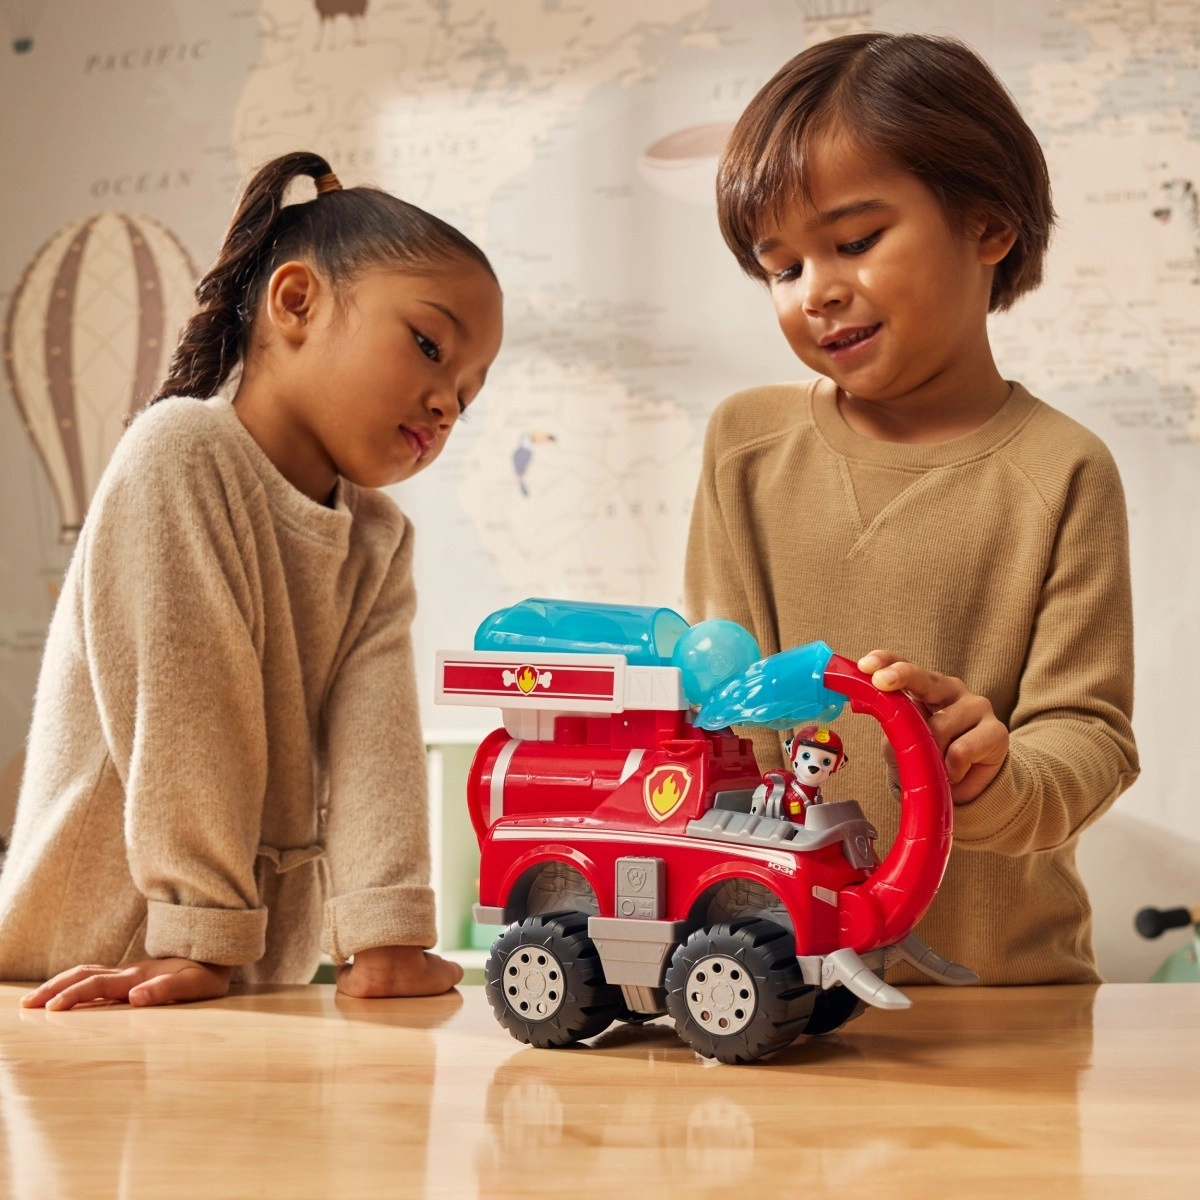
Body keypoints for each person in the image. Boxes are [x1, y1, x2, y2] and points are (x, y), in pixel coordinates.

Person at [685, 33, 1139, 985]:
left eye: (855, 242)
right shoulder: (744, 447)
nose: (819, 291)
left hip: (1008, 996)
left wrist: (997, 777)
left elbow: (1091, 735)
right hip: (779, 983)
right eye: (783, 268)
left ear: (987, 224)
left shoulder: (1064, 471)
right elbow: (720, 705)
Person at [0, 151, 503, 1010]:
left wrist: (386, 937)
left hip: (238, 972)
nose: (446, 405)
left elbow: (376, 742)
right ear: (296, 302)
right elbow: (189, 714)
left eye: (468, 393)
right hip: (98, 955)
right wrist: (199, 932)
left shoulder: (377, 537)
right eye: (429, 346)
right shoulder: (181, 453)